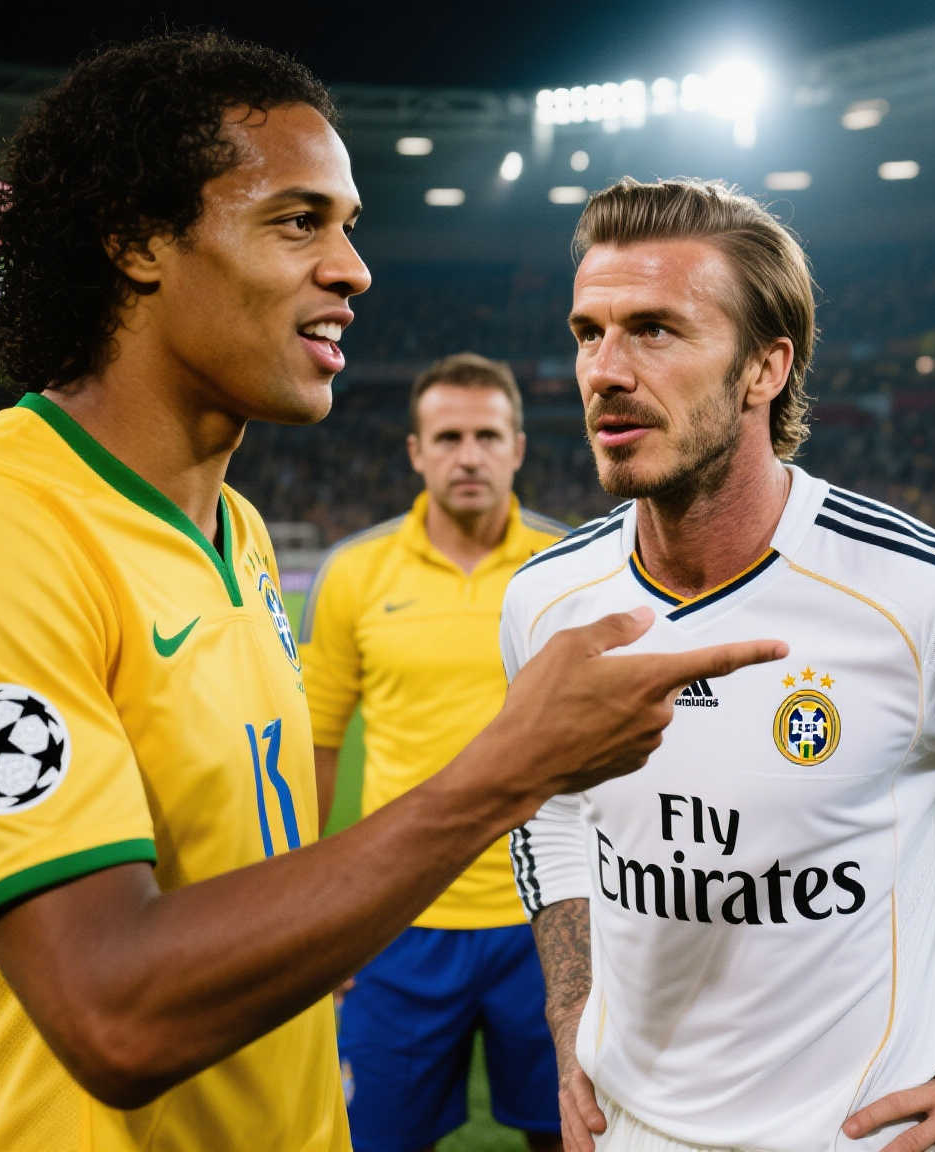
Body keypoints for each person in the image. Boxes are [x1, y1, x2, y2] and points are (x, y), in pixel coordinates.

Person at [0, 34, 784, 1151]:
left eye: (349, 226)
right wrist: (508, 768)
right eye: (297, 221)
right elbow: (113, 1013)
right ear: (136, 241)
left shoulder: (231, 531)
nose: (353, 270)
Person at [504, 177, 935, 1152]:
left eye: (654, 330)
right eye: (588, 333)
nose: (605, 371)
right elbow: (545, 802)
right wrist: (569, 1000)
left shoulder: (928, 597)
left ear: (764, 367)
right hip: (615, 1130)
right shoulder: (546, 600)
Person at [300, 352, 572, 1150]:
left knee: (573, 1137)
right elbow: (315, 747)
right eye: (448, 438)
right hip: (397, 919)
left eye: (488, 436)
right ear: (416, 452)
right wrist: (314, 915)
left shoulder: (572, 571)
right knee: (374, 1140)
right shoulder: (354, 572)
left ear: (518, 447)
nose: (469, 455)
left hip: (551, 916)